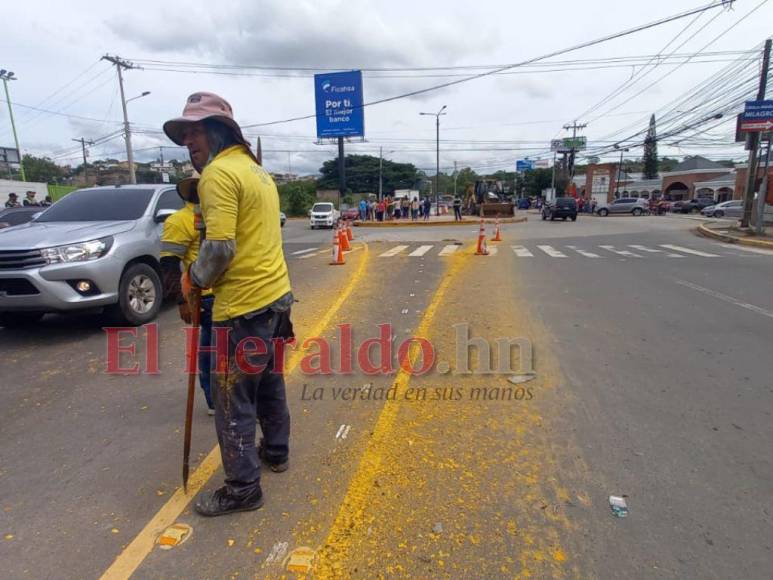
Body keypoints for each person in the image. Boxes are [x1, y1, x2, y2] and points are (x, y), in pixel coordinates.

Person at [164, 92, 294, 517]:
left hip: (242, 308)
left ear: (219, 131)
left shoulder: (218, 175)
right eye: (184, 135)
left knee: (231, 400)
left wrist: (192, 280)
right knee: (270, 385)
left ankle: (242, 488)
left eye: (195, 132)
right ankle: (275, 452)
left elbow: (219, 248)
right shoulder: (257, 172)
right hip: (276, 301)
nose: (188, 142)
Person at [160, 177, 216, 416]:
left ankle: (219, 397)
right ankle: (215, 399)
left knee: (216, 348)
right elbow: (169, 264)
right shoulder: (180, 221)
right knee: (214, 350)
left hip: (229, 293)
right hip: (205, 297)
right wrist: (181, 300)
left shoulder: (217, 216)